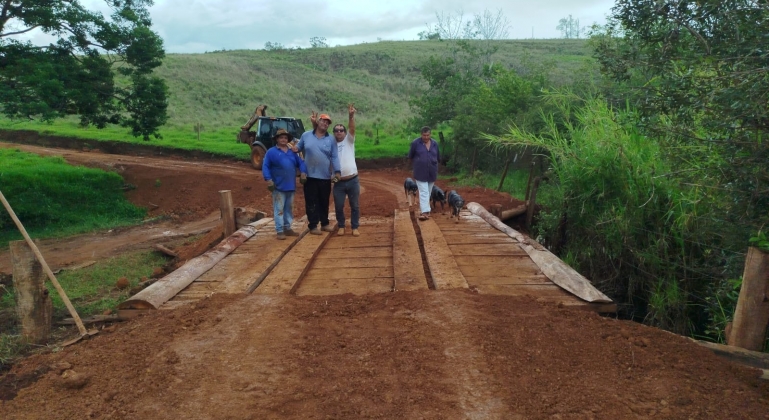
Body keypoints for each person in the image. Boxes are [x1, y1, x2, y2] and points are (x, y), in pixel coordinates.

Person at [296, 112, 341, 234]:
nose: (325, 124)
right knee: (311, 200)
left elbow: (335, 157)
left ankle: (325, 223)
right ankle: (313, 225)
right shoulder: (306, 136)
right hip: (309, 176)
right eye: (323, 121)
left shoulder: (331, 139)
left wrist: (337, 172)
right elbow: (297, 149)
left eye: (327, 123)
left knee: (324, 200)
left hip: (325, 176)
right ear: (318, 122)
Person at [262, 129, 308, 240]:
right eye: (281, 137)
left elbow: (301, 163)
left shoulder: (292, 152)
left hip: (290, 186)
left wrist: (303, 173)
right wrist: (268, 180)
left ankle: (287, 228)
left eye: (285, 138)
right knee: (279, 209)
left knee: (289, 208)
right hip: (278, 186)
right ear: (277, 139)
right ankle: (279, 230)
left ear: (288, 140)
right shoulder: (271, 152)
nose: (283, 139)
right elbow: (265, 166)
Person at [332, 104, 360, 237]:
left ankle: (355, 227)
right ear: (334, 133)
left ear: (344, 132)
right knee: (338, 206)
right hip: (338, 181)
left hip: (353, 179)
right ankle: (341, 225)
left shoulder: (349, 141)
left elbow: (352, 128)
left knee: (354, 205)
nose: (339, 132)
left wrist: (351, 116)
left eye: (341, 130)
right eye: (336, 130)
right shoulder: (330, 144)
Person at [407, 126, 440, 221]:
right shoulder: (415, 143)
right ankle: (424, 212)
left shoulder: (435, 144)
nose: (426, 137)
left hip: (432, 172)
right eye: (424, 135)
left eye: (427, 135)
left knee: (428, 192)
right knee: (424, 192)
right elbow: (410, 156)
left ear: (430, 134)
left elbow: (438, 157)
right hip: (420, 172)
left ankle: (427, 209)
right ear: (421, 135)